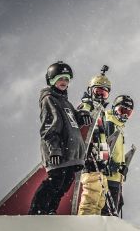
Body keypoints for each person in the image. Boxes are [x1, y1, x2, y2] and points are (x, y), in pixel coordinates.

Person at [28, 61, 92, 215]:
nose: (64, 82)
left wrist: (80, 115)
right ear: (51, 80)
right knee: (55, 182)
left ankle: (50, 210)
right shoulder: (49, 99)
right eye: (60, 79)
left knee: (64, 185)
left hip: (71, 154)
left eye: (67, 79)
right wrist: (54, 150)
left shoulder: (66, 103)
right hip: (60, 152)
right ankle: (37, 211)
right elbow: (49, 126)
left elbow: (71, 122)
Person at [77, 65, 116, 215]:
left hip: (99, 164)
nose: (100, 96)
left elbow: (102, 139)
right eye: (97, 91)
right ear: (90, 90)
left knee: (100, 200)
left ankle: (94, 226)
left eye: (104, 93)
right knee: (91, 197)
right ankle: (85, 226)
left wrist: (104, 160)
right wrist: (88, 150)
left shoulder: (101, 113)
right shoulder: (87, 106)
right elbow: (82, 126)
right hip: (90, 162)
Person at [101, 95, 134, 217]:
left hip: (116, 178)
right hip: (108, 178)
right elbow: (102, 144)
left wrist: (123, 166)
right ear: (114, 108)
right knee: (108, 211)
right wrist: (109, 164)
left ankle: (112, 230)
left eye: (128, 113)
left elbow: (116, 152)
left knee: (117, 205)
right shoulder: (108, 122)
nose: (125, 115)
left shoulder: (117, 125)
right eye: (122, 111)